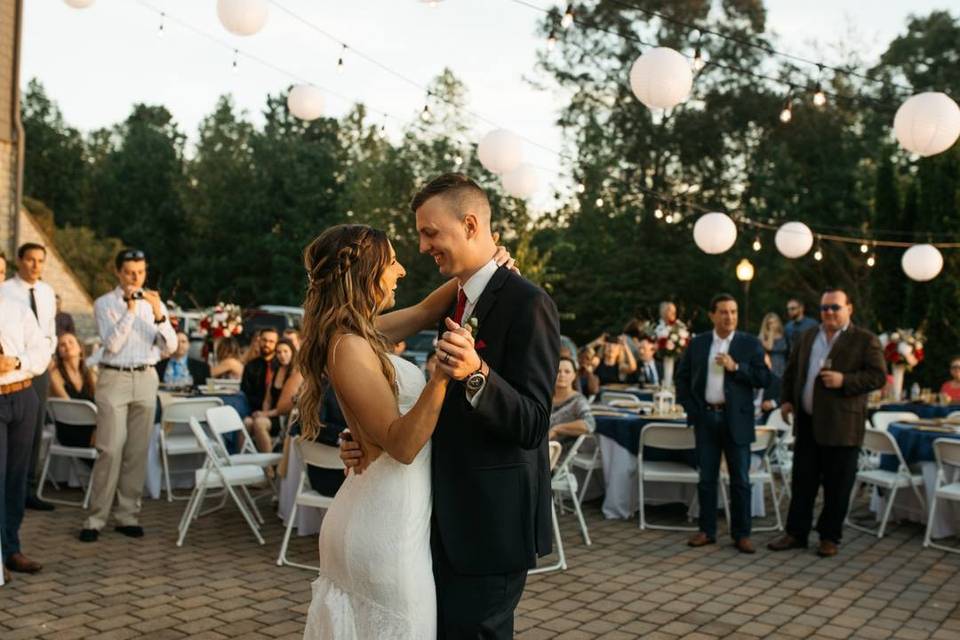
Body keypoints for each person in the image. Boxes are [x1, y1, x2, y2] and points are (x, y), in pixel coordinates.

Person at [332, 173, 559, 639]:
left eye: (430, 232)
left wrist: (477, 373)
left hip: (488, 525)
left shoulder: (527, 303)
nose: (422, 246)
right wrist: (367, 434)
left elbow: (534, 423)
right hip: (435, 519)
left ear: (470, 224)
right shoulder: (456, 301)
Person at [769, 288, 885, 558]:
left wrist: (845, 381)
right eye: (824, 308)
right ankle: (796, 533)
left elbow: (878, 376)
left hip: (842, 425)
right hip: (808, 422)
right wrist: (786, 400)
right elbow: (791, 371)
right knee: (803, 482)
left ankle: (829, 536)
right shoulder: (808, 335)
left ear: (849, 309)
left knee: (837, 485)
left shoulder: (864, 340)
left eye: (835, 307)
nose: (829, 313)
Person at [79, 249, 177, 543]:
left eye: (141, 272)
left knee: (137, 450)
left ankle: (127, 515)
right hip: (114, 378)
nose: (136, 278)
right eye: (130, 272)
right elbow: (113, 344)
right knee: (109, 449)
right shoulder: (104, 304)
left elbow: (170, 347)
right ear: (118, 273)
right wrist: (131, 312)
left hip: (146, 377)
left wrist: (159, 314)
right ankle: (95, 518)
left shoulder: (155, 305)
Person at [676, 293, 770, 554]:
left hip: (736, 420)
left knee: (740, 479)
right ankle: (707, 530)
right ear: (712, 315)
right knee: (706, 478)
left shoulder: (749, 344)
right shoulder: (699, 343)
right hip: (706, 418)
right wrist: (693, 410)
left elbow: (763, 378)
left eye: (734, 312)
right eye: (724, 312)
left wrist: (736, 367)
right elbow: (682, 379)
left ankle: (742, 534)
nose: (729, 317)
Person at [0, 242, 58, 511]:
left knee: (33, 431)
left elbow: (48, 333)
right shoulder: (9, 292)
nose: (36, 265)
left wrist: (43, 356)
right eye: (31, 260)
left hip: (35, 367)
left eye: (41, 260)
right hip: (7, 377)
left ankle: (29, 489)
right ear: (19, 261)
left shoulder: (46, 292)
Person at [0, 284, 48, 579]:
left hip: (23, 395)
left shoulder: (16, 308)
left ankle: (11, 549)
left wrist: (16, 361)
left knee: (16, 478)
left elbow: (41, 351)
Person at [245, 337, 297, 453]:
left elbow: (285, 407)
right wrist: (264, 413)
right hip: (271, 414)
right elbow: (267, 400)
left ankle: (269, 469)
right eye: (278, 352)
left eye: (285, 351)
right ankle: (243, 460)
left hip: (284, 417)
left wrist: (264, 414)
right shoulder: (276, 371)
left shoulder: (295, 373)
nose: (282, 355)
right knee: (247, 422)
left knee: (259, 423)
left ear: (292, 352)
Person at [49, 332, 98, 448]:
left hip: (94, 428)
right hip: (70, 429)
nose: (67, 346)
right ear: (59, 353)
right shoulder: (56, 375)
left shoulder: (90, 374)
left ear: (80, 349)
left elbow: (100, 401)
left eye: (71, 342)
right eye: (62, 345)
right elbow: (69, 407)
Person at [549, 356, 595, 456]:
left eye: (567, 371)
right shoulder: (545, 397)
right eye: (558, 371)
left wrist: (557, 429)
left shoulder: (578, 400)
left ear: (574, 375)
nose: (562, 375)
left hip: (557, 454)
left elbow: (589, 424)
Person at [240, 328, 279, 420]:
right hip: (254, 411)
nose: (267, 344)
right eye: (264, 340)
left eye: (271, 341)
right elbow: (246, 392)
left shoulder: (281, 366)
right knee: (246, 422)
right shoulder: (251, 366)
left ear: (277, 344)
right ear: (259, 340)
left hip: (277, 412)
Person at [758, 312, 789, 378]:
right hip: (770, 367)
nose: (773, 325)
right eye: (770, 323)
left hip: (783, 367)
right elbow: (769, 347)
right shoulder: (763, 336)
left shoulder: (784, 335)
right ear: (766, 324)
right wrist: (771, 333)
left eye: (775, 322)